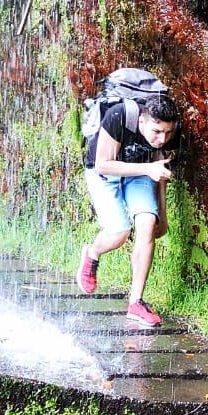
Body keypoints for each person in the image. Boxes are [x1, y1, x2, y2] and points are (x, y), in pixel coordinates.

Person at [76, 92, 180, 327]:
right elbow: (104, 164)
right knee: (120, 232)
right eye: (156, 132)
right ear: (143, 120)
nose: (162, 138)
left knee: (146, 224)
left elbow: (160, 171)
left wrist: (161, 216)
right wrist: (147, 170)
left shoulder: (170, 131)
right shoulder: (120, 116)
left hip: (143, 170)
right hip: (104, 171)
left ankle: (136, 303)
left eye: (167, 132)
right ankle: (92, 253)